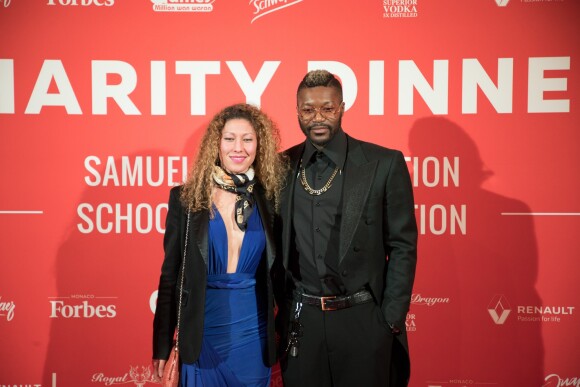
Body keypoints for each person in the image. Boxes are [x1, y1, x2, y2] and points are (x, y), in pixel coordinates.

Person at [274, 70, 418, 387]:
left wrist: (389, 320)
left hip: (363, 320)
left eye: (327, 108)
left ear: (342, 107)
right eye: (308, 109)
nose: (318, 117)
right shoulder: (280, 167)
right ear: (297, 111)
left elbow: (403, 245)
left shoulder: (383, 163)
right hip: (302, 322)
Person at [152, 103, 287, 386]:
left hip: (254, 337)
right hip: (202, 335)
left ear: (259, 145)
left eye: (247, 139)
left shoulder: (271, 199)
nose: (238, 147)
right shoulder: (186, 199)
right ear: (217, 144)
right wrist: (162, 342)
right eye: (229, 139)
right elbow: (170, 276)